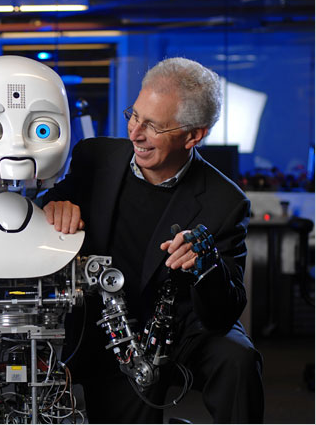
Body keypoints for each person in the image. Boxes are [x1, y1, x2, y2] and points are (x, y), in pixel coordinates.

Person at [42, 57, 264, 423]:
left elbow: (224, 311)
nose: (135, 133)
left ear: (193, 135)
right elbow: (52, 200)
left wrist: (205, 265)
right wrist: (55, 203)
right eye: (135, 115)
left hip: (180, 327)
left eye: (154, 126)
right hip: (105, 325)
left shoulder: (226, 201)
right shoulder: (94, 157)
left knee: (237, 358)